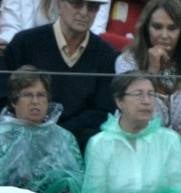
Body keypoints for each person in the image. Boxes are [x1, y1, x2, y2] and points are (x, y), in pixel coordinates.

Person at [0, 0, 116, 149]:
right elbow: (4, 95)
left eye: (92, 7)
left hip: (76, 146)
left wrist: (58, 134)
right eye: (77, 4)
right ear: (59, 3)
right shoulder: (24, 43)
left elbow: (103, 110)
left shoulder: (105, 54)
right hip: (20, 142)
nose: (84, 12)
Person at [115, 0, 181, 160]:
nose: (164, 35)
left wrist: (178, 137)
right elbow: (134, 115)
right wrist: (151, 74)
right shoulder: (127, 61)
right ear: (146, 28)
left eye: (172, 28)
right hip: (142, 142)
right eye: (157, 27)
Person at [81, 71, 181, 193]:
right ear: (119, 101)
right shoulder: (98, 144)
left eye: (151, 94)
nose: (146, 101)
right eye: (138, 94)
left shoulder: (170, 140)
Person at [0, 65, 84, 193]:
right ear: (14, 101)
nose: (35, 101)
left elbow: (77, 181)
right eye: (28, 95)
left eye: (41, 95)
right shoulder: (2, 136)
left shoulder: (65, 138)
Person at [0, 0, 109, 54]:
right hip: (29, 53)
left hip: (77, 50)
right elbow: (10, 27)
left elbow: (96, 29)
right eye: (76, 3)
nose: (84, 12)